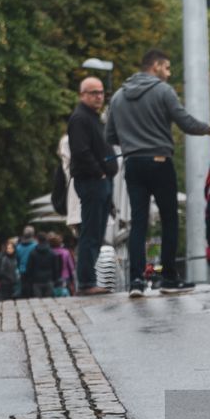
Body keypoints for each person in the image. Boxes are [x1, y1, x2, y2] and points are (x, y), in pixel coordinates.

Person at [105, 48, 210, 297]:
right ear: (155, 66)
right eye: (166, 67)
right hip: (159, 160)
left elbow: (109, 135)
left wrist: (132, 141)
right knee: (169, 219)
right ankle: (168, 278)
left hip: (133, 164)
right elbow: (185, 122)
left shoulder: (118, 97)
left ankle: (136, 281)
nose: (169, 73)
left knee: (139, 223)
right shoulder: (163, 91)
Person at [68, 76, 117, 296]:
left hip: (100, 181)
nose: (99, 96)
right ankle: (86, 282)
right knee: (90, 233)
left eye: (101, 92)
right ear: (83, 95)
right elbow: (80, 151)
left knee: (96, 233)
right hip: (91, 181)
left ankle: (89, 280)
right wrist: (99, 174)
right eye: (93, 93)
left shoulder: (94, 118)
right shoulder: (80, 118)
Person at [23, 232, 60, 298]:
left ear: (37, 240)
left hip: (36, 280)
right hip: (49, 279)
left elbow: (29, 268)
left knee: (38, 302)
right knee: (49, 301)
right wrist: (55, 279)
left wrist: (30, 279)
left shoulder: (33, 253)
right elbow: (56, 268)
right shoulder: (52, 253)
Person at [49, 232, 76, 297]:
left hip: (52, 278)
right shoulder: (66, 252)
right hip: (65, 277)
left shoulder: (49, 252)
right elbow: (71, 266)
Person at [14, 225, 37, 297]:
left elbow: (17, 260)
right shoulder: (35, 245)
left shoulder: (18, 247)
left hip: (22, 271)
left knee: (24, 291)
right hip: (33, 272)